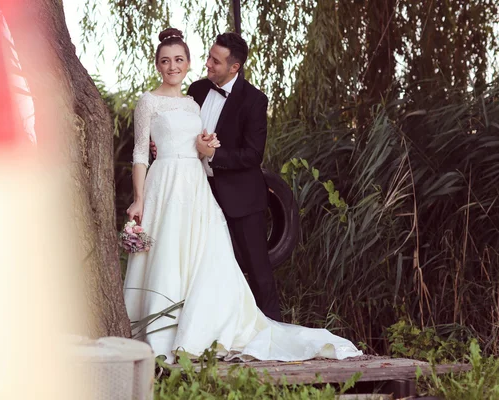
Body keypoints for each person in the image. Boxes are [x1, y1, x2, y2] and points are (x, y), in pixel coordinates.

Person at [124, 28, 362, 364]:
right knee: (194, 264)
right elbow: (160, 139)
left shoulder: (253, 100)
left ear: (233, 67)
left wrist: (209, 154)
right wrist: (165, 149)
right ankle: (176, 328)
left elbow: (252, 155)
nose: (208, 64)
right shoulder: (195, 92)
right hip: (189, 190)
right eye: (206, 57)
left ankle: (267, 327)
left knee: (258, 270)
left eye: (214, 61)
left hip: (238, 196)